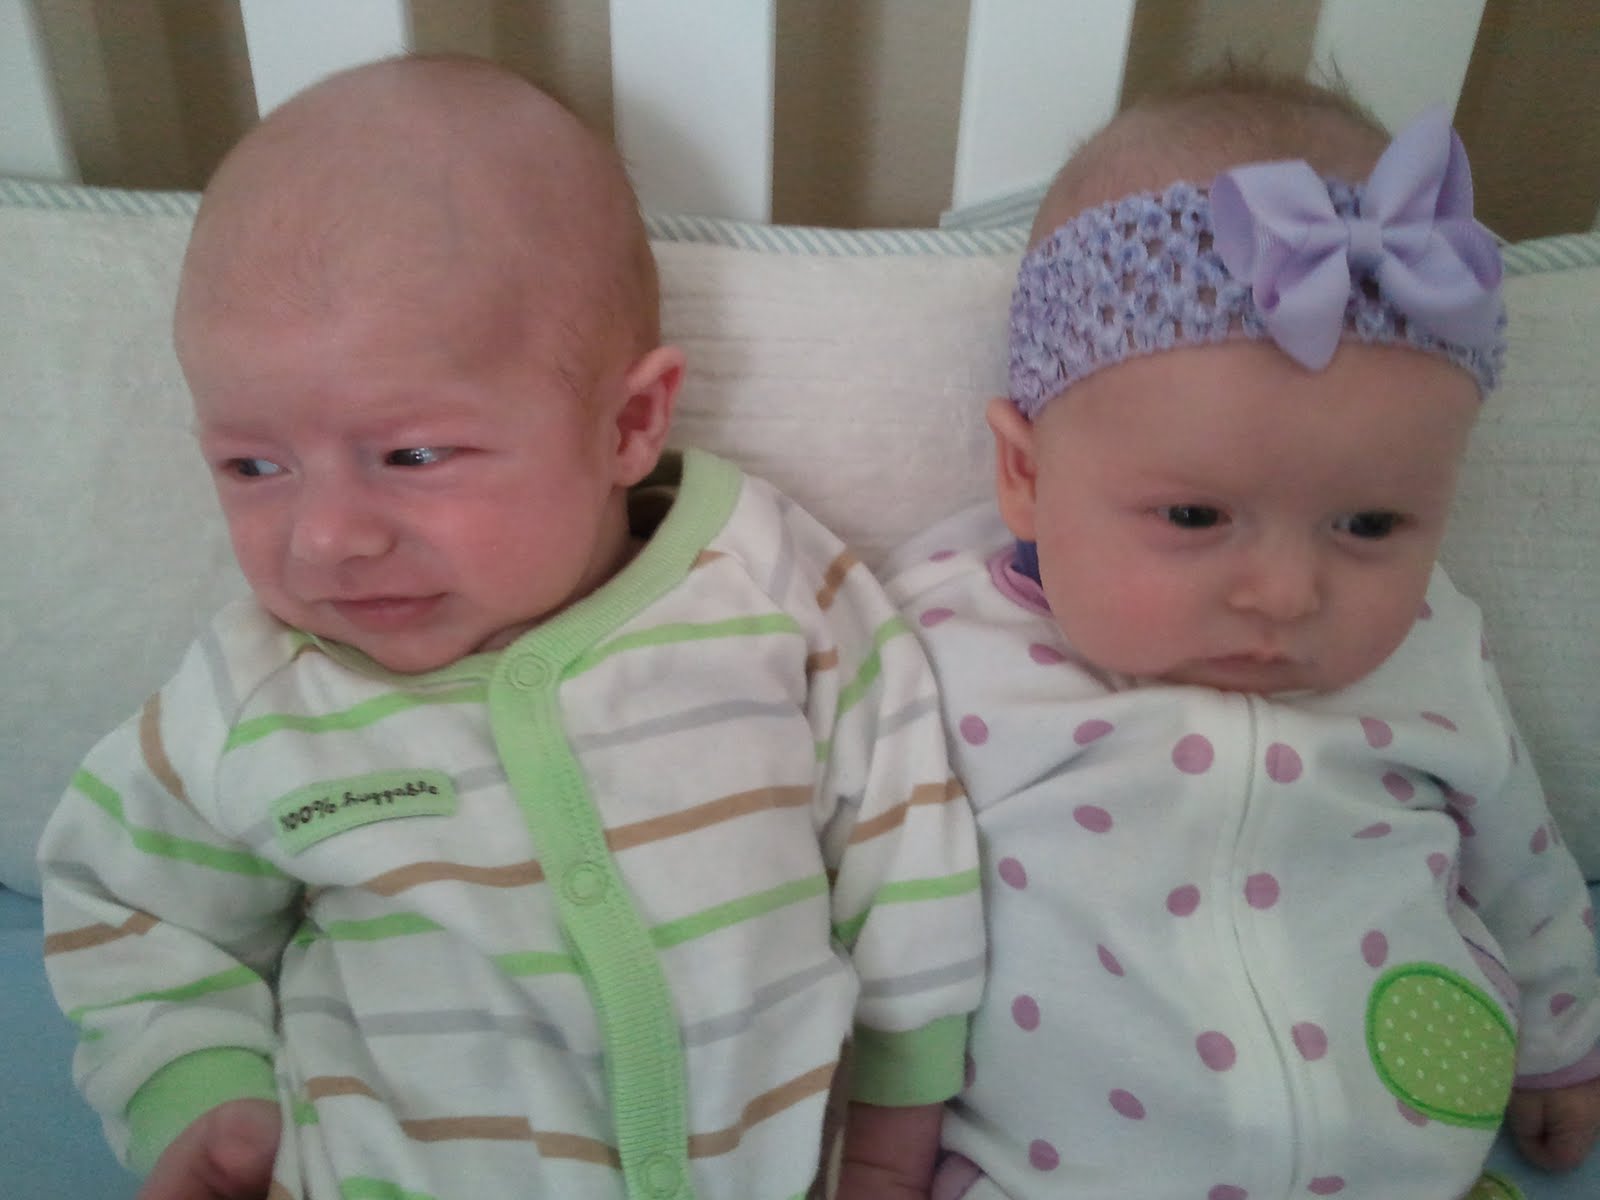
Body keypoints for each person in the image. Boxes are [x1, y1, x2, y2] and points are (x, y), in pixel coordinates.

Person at [38, 55, 983, 1200]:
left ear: (627, 423)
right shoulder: (254, 693)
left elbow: (901, 829)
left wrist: (893, 1121)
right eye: (253, 466)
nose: (326, 539)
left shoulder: (760, 579)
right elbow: (127, 903)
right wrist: (196, 1092)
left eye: (412, 454)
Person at [886, 73, 1600, 1200]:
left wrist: (1562, 1044)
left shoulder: (1430, 647)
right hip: (1046, 1172)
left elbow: (1523, 861)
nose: (1284, 593)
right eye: (1193, 517)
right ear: (1025, 474)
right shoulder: (934, 638)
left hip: (1411, 1164)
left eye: (1369, 525)